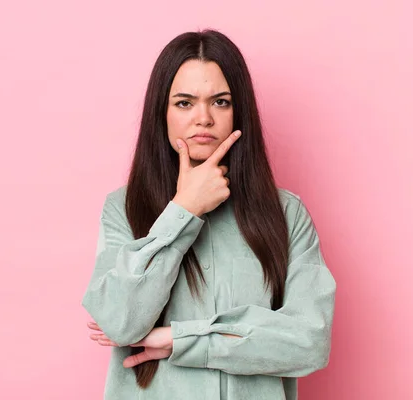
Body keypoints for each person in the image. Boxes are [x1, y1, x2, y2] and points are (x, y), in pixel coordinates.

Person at [81, 29, 336, 400]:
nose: (203, 118)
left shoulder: (286, 214)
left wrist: (178, 340)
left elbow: (310, 340)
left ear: (238, 111)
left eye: (220, 102)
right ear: (161, 113)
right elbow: (119, 321)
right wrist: (184, 210)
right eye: (184, 103)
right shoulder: (122, 208)